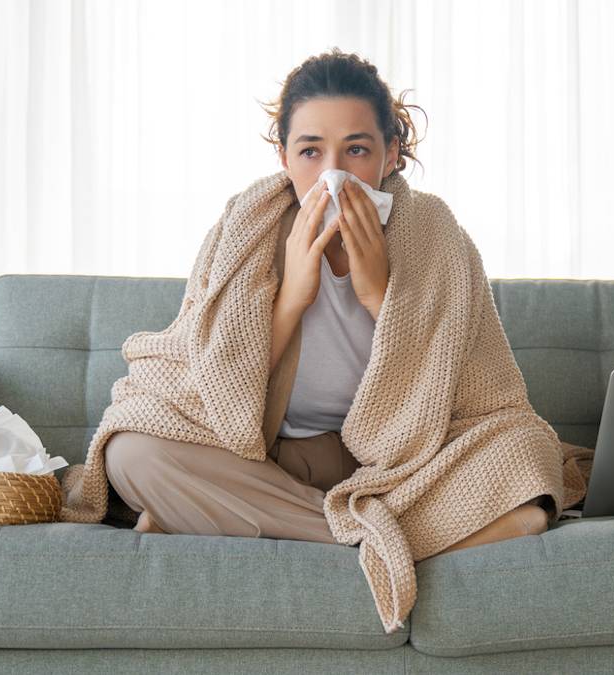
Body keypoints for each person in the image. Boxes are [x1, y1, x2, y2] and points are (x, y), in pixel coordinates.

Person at [103, 48, 548, 554]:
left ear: (392, 153)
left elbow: (474, 392)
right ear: (284, 157)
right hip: (274, 460)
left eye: (356, 150)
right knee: (131, 454)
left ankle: (215, 516)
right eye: (311, 152)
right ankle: (391, 538)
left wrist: (380, 295)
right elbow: (214, 388)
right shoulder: (246, 228)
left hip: (401, 461)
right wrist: (292, 297)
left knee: (525, 451)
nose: (333, 173)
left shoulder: (436, 234)